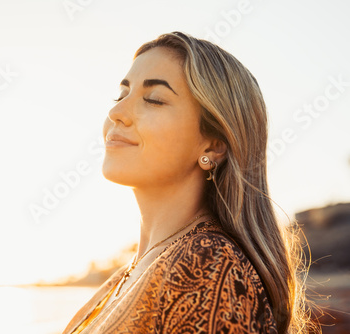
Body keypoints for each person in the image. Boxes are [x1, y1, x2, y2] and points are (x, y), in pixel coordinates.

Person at [62, 31, 312, 334]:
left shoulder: (208, 266)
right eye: (121, 94)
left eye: (153, 100)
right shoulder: (128, 275)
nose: (116, 113)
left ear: (212, 146)